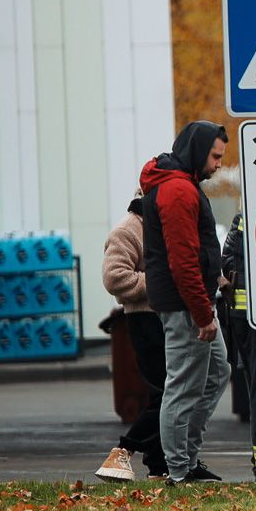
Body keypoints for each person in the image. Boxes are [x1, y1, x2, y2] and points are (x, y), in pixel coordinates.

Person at [141, 121, 230, 485]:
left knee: (217, 372)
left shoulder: (184, 184)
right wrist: (202, 313)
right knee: (183, 385)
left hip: (193, 302)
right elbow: (183, 260)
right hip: (186, 307)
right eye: (215, 156)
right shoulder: (178, 190)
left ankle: (186, 460)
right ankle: (178, 470)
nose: (219, 164)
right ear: (197, 150)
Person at [95, 193, 169, 482]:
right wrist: (158, 282)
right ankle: (123, 450)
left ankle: (157, 464)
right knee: (168, 393)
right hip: (144, 319)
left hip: (158, 317)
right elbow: (114, 277)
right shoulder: (129, 229)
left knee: (161, 392)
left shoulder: (155, 225)